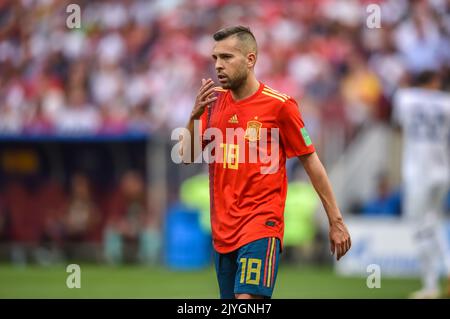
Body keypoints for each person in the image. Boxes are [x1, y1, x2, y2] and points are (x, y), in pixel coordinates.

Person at [180, 25, 351, 299]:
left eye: (227, 57)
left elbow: (311, 161)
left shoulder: (280, 106)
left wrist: (336, 221)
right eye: (215, 58)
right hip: (223, 230)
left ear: (250, 60)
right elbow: (186, 157)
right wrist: (193, 116)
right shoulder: (212, 104)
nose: (218, 65)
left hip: (261, 224)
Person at [393, 71, 450, 299]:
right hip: (442, 170)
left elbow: (397, 125)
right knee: (434, 221)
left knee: (420, 227)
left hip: (418, 172)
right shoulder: (447, 102)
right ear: (434, 81)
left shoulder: (405, 97)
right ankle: (439, 277)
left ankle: (432, 283)